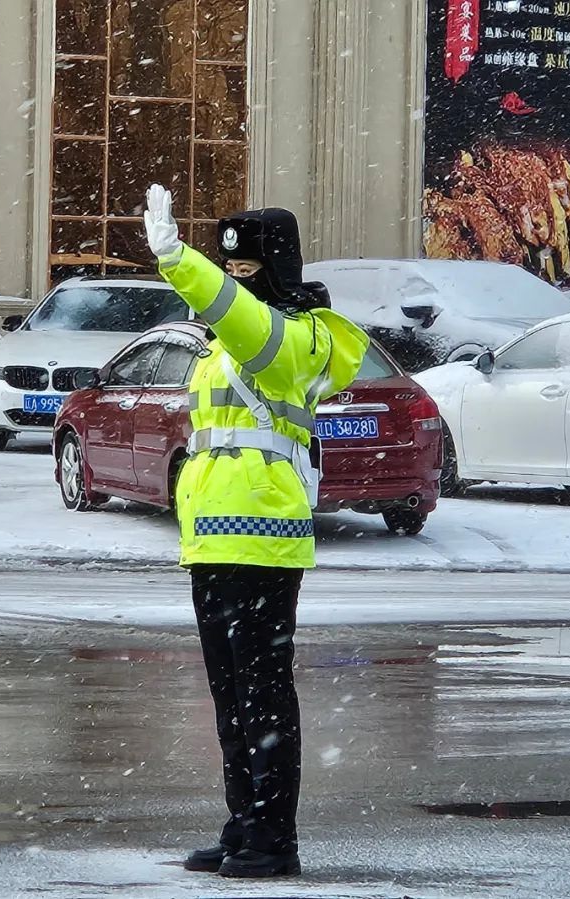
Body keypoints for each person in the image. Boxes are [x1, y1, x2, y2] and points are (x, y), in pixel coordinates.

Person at [143, 185, 369, 879]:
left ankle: (274, 837)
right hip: (214, 540)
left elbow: (238, 316)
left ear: (276, 268)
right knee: (230, 696)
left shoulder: (290, 339)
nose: (236, 279)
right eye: (228, 265)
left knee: (262, 695)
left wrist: (179, 260)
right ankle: (244, 823)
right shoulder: (228, 347)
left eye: (246, 268)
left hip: (264, 537)